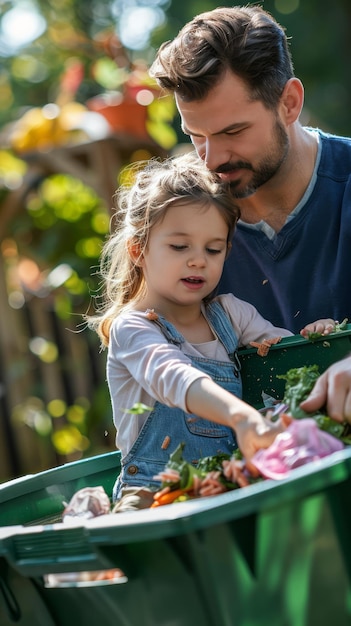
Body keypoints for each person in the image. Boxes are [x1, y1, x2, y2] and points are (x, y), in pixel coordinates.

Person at [87, 152, 334, 509]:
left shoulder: (231, 314)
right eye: (179, 246)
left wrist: (314, 338)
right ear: (139, 250)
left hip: (223, 487)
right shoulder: (134, 328)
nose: (198, 260)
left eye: (213, 249)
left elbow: (285, 357)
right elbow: (172, 375)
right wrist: (241, 417)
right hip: (153, 497)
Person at [149, 4, 351, 422]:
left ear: (290, 102)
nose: (212, 158)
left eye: (232, 132)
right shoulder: (184, 223)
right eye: (196, 136)